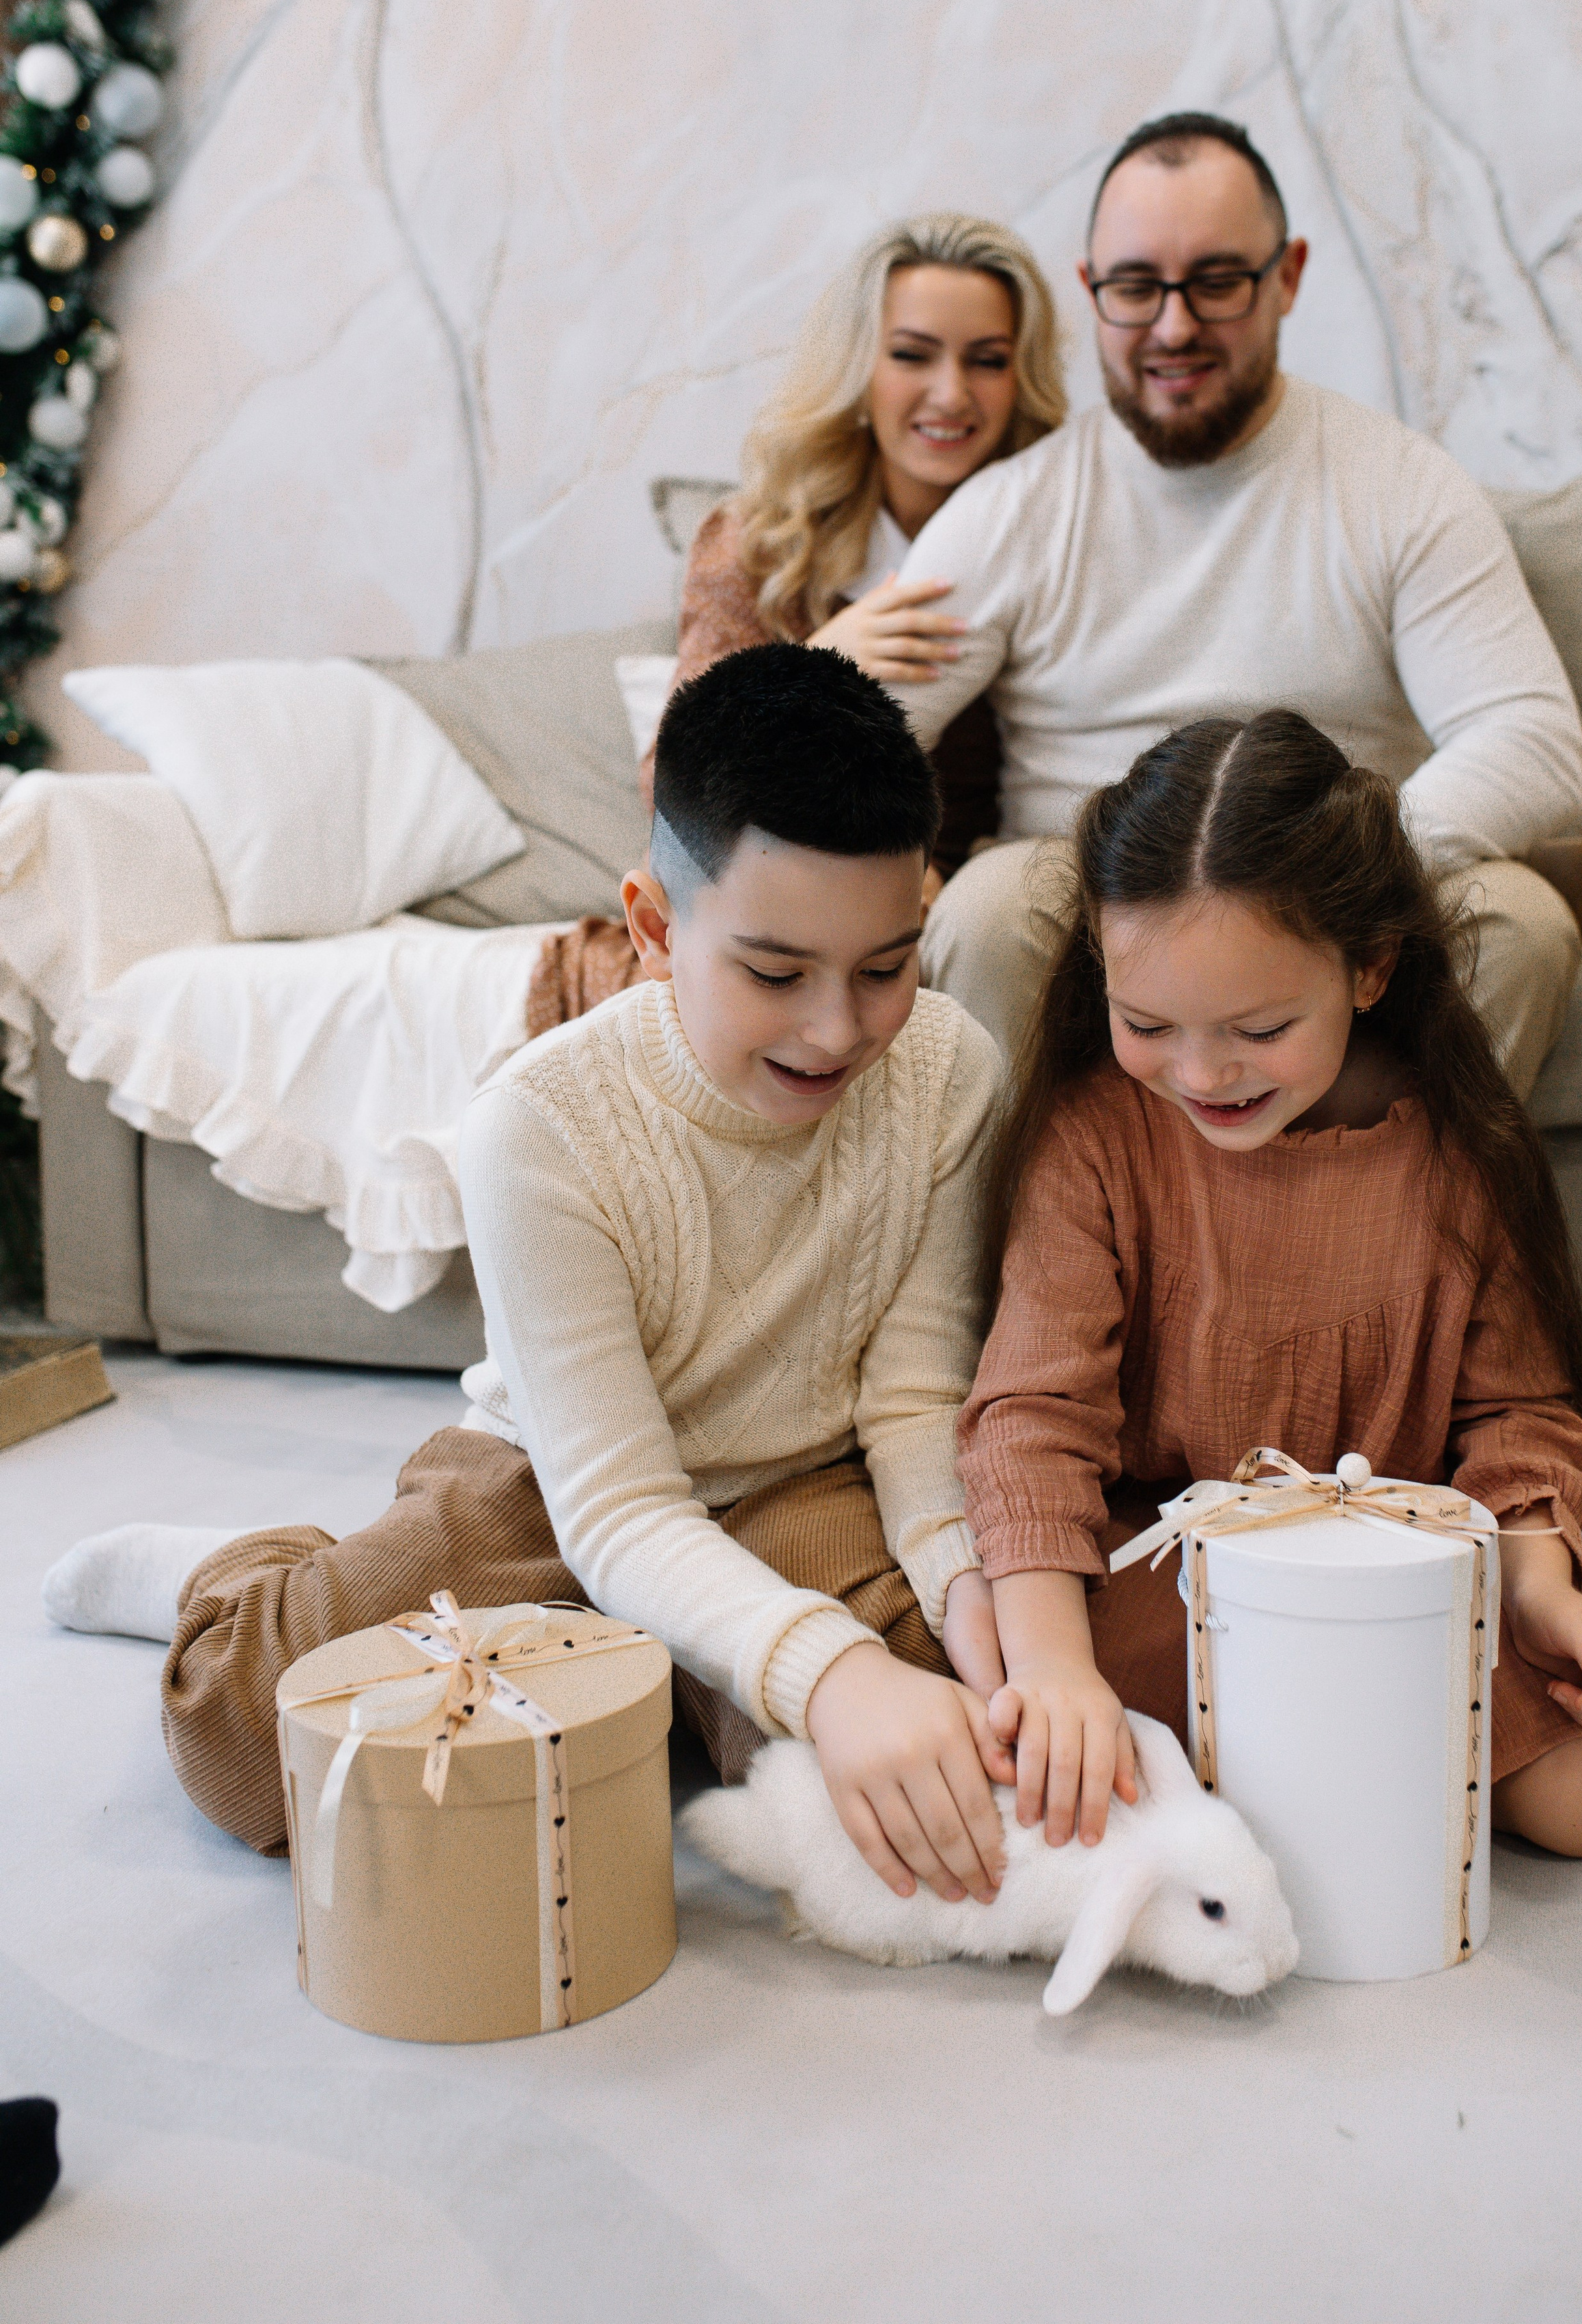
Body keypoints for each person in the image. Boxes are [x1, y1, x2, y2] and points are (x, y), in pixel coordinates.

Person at [46, 648, 1017, 1909]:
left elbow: (915, 1395)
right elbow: (618, 1510)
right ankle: (242, 1570)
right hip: (560, 1483)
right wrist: (828, 1672)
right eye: (776, 975)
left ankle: (675, 1667)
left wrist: (957, 1578)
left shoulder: (951, 1069)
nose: (839, 1029)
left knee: (922, 1770)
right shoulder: (539, 1123)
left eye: (886, 968)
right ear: (654, 928)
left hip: (803, 1475)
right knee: (252, 1750)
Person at [956, 711, 1582, 1861]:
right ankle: (1309, 1767)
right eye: (1147, 1023)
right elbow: (1035, 1421)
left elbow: (1522, 1415)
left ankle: (1270, 1769)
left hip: (1388, 1584)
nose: (1201, 1073)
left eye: (1260, 1027)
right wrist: (1052, 1670)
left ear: (1370, 968)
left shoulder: (1452, 1148)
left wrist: (1538, 1587)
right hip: (1167, 1582)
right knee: (1008, 1682)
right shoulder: (1094, 1137)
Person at [894, 113, 1582, 1099]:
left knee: (1521, 923)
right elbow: (853, 740)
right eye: (1136, 287)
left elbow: (1533, 738)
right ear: (1091, 290)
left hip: (1337, 900)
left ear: (1288, 276)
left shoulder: (1402, 485)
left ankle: (1398, 1202)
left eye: (1217, 281)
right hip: (1090, 899)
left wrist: (1315, 883)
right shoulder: (1012, 508)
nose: (1174, 326)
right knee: (985, 909)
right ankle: (1027, 1204)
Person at [530, 214, 1067, 1027]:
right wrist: (814, 669)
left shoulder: (1057, 536)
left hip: (974, 903)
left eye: (987, 360)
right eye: (912, 355)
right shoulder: (760, 543)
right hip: (778, 894)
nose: (952, 393)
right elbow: (670, 776)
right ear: (858, 366)